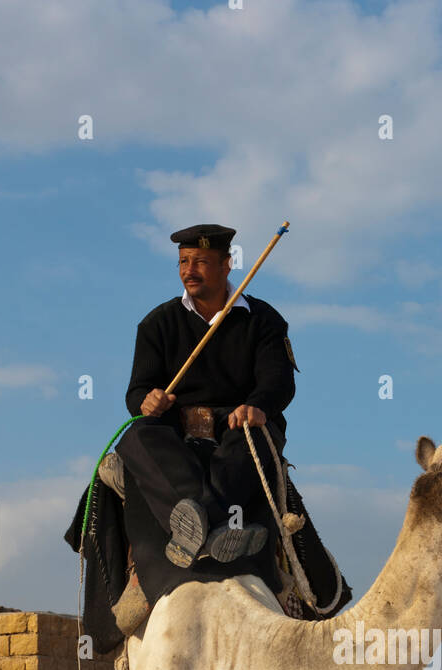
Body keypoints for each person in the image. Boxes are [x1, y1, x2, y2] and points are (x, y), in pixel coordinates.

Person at [105, 223, 298, 625]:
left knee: (252, 440)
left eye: (200, 262)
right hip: (177, 433)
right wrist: (146, 400)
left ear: (227, 265)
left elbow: (279, 383)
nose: (188, 271)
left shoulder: (264, 320)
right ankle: (200, 526)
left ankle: (202, 528)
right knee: (139, 435)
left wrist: (257, 406)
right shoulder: (157, 324)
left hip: (239, 428)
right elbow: (136, 391)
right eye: (183, 262)